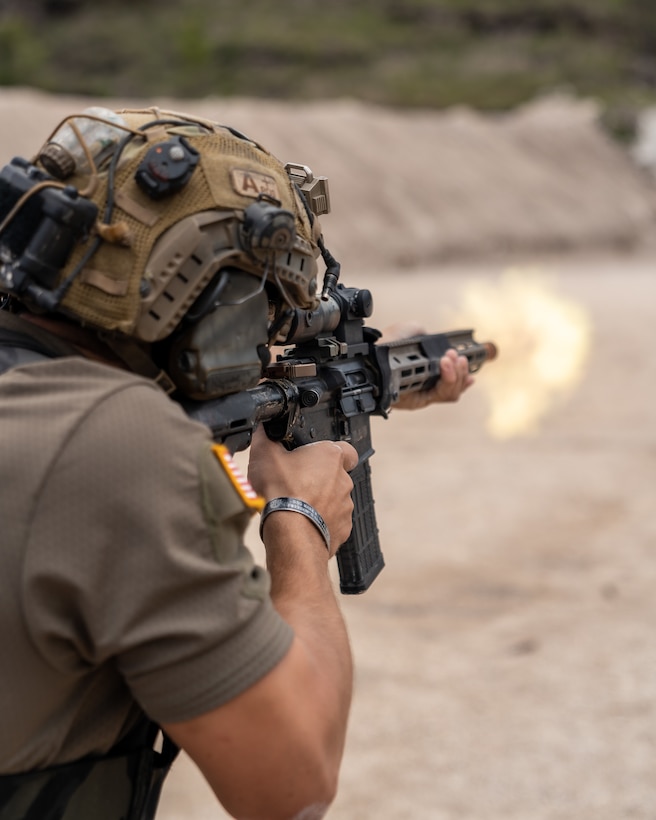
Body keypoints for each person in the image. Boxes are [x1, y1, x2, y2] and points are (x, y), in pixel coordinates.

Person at [0, 106, 473, 820]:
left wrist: (369, 374)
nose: (268, 332)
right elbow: (292, 785)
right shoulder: (118, 448)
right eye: (259, 305)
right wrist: (301, 521)